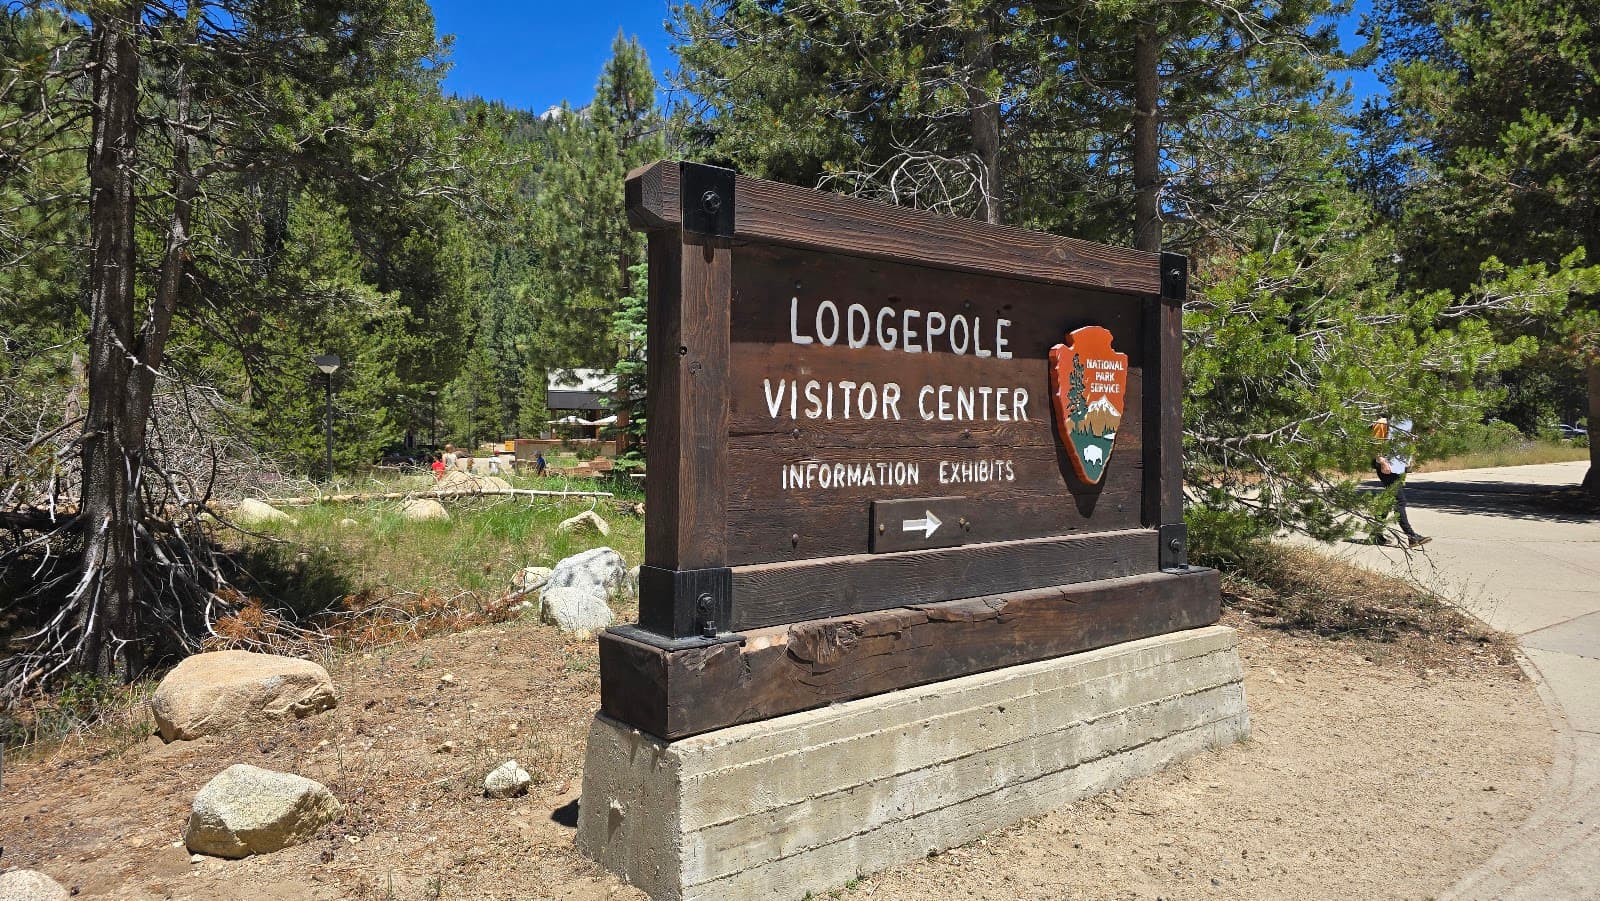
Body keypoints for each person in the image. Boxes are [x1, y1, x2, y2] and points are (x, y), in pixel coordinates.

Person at [1371, 417, 1430, 547]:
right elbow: (1375, 445)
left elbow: (1408, 442)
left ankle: (1375, 535)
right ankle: (1411, 536)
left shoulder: (1407, 421)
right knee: (1400, 501)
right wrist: (1382, 462)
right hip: (1385, 468)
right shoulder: (1383, 421)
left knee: (1388, 500)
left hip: (1397, 467)